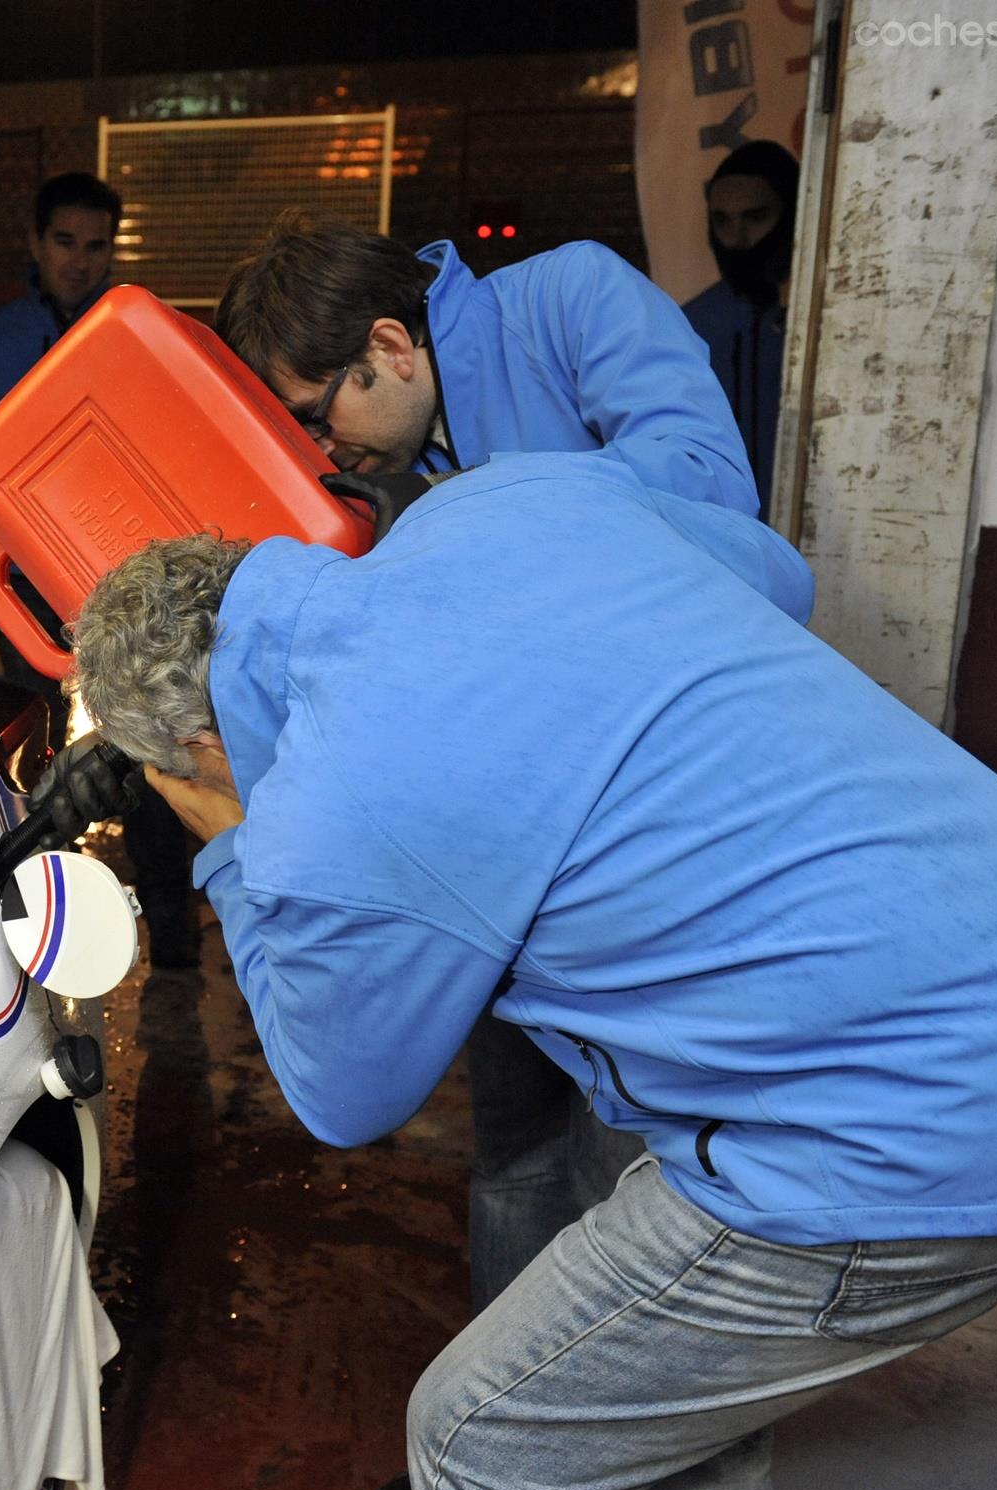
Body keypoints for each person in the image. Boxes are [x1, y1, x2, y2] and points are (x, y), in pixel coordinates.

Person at [66, 453, 997, 1490]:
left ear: (201, 747)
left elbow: (341, 1095)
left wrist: (229, 839)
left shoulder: (325, 821)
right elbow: (776, 575)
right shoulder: (509, 499)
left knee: (480, 1437)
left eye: (182, 775)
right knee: (645, 1403)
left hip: (915, 1130)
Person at [216, 210, 765, 1310]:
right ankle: (514, 1455)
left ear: (389, 346)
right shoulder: (378, 468)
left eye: (320, 421)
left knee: (639, 1172)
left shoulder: (571, 300)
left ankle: (611, 1453)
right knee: (513, 1152)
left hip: (644, 840)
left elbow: (711, 501)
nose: (325, 456)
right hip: (502, 844)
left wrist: (450, 533)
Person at [0, 171, 201, 967]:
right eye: (64, 243)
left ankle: (174, 938)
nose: (80, 261)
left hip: (132, 574)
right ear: (35, 244)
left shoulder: (133, 336)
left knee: (145, 743)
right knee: (39, 749)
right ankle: (40, 914)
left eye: (96, 246)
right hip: (33, 580)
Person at [684, 141, 803, 505]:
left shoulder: (827, 319)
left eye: (755, 218)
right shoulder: (691, 325)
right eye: (722, 221)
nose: (737, 240)